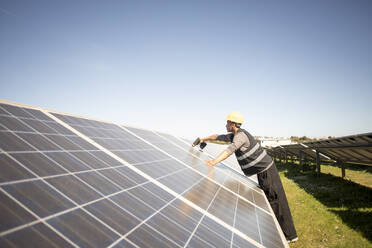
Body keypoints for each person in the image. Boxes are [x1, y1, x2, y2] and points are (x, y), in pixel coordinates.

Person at [196, 111, 298, 243]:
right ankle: (280, 234)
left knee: (277, 201)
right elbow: (218, 137)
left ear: (233, 124)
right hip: (262, 173)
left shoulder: (240, 136)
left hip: (268, 172)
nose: (225, 124)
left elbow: (229, 150)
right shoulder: (234, 135)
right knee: (271, 201)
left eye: (227, 122)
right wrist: (204, 139)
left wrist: (213, 162)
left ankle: (290, 236)